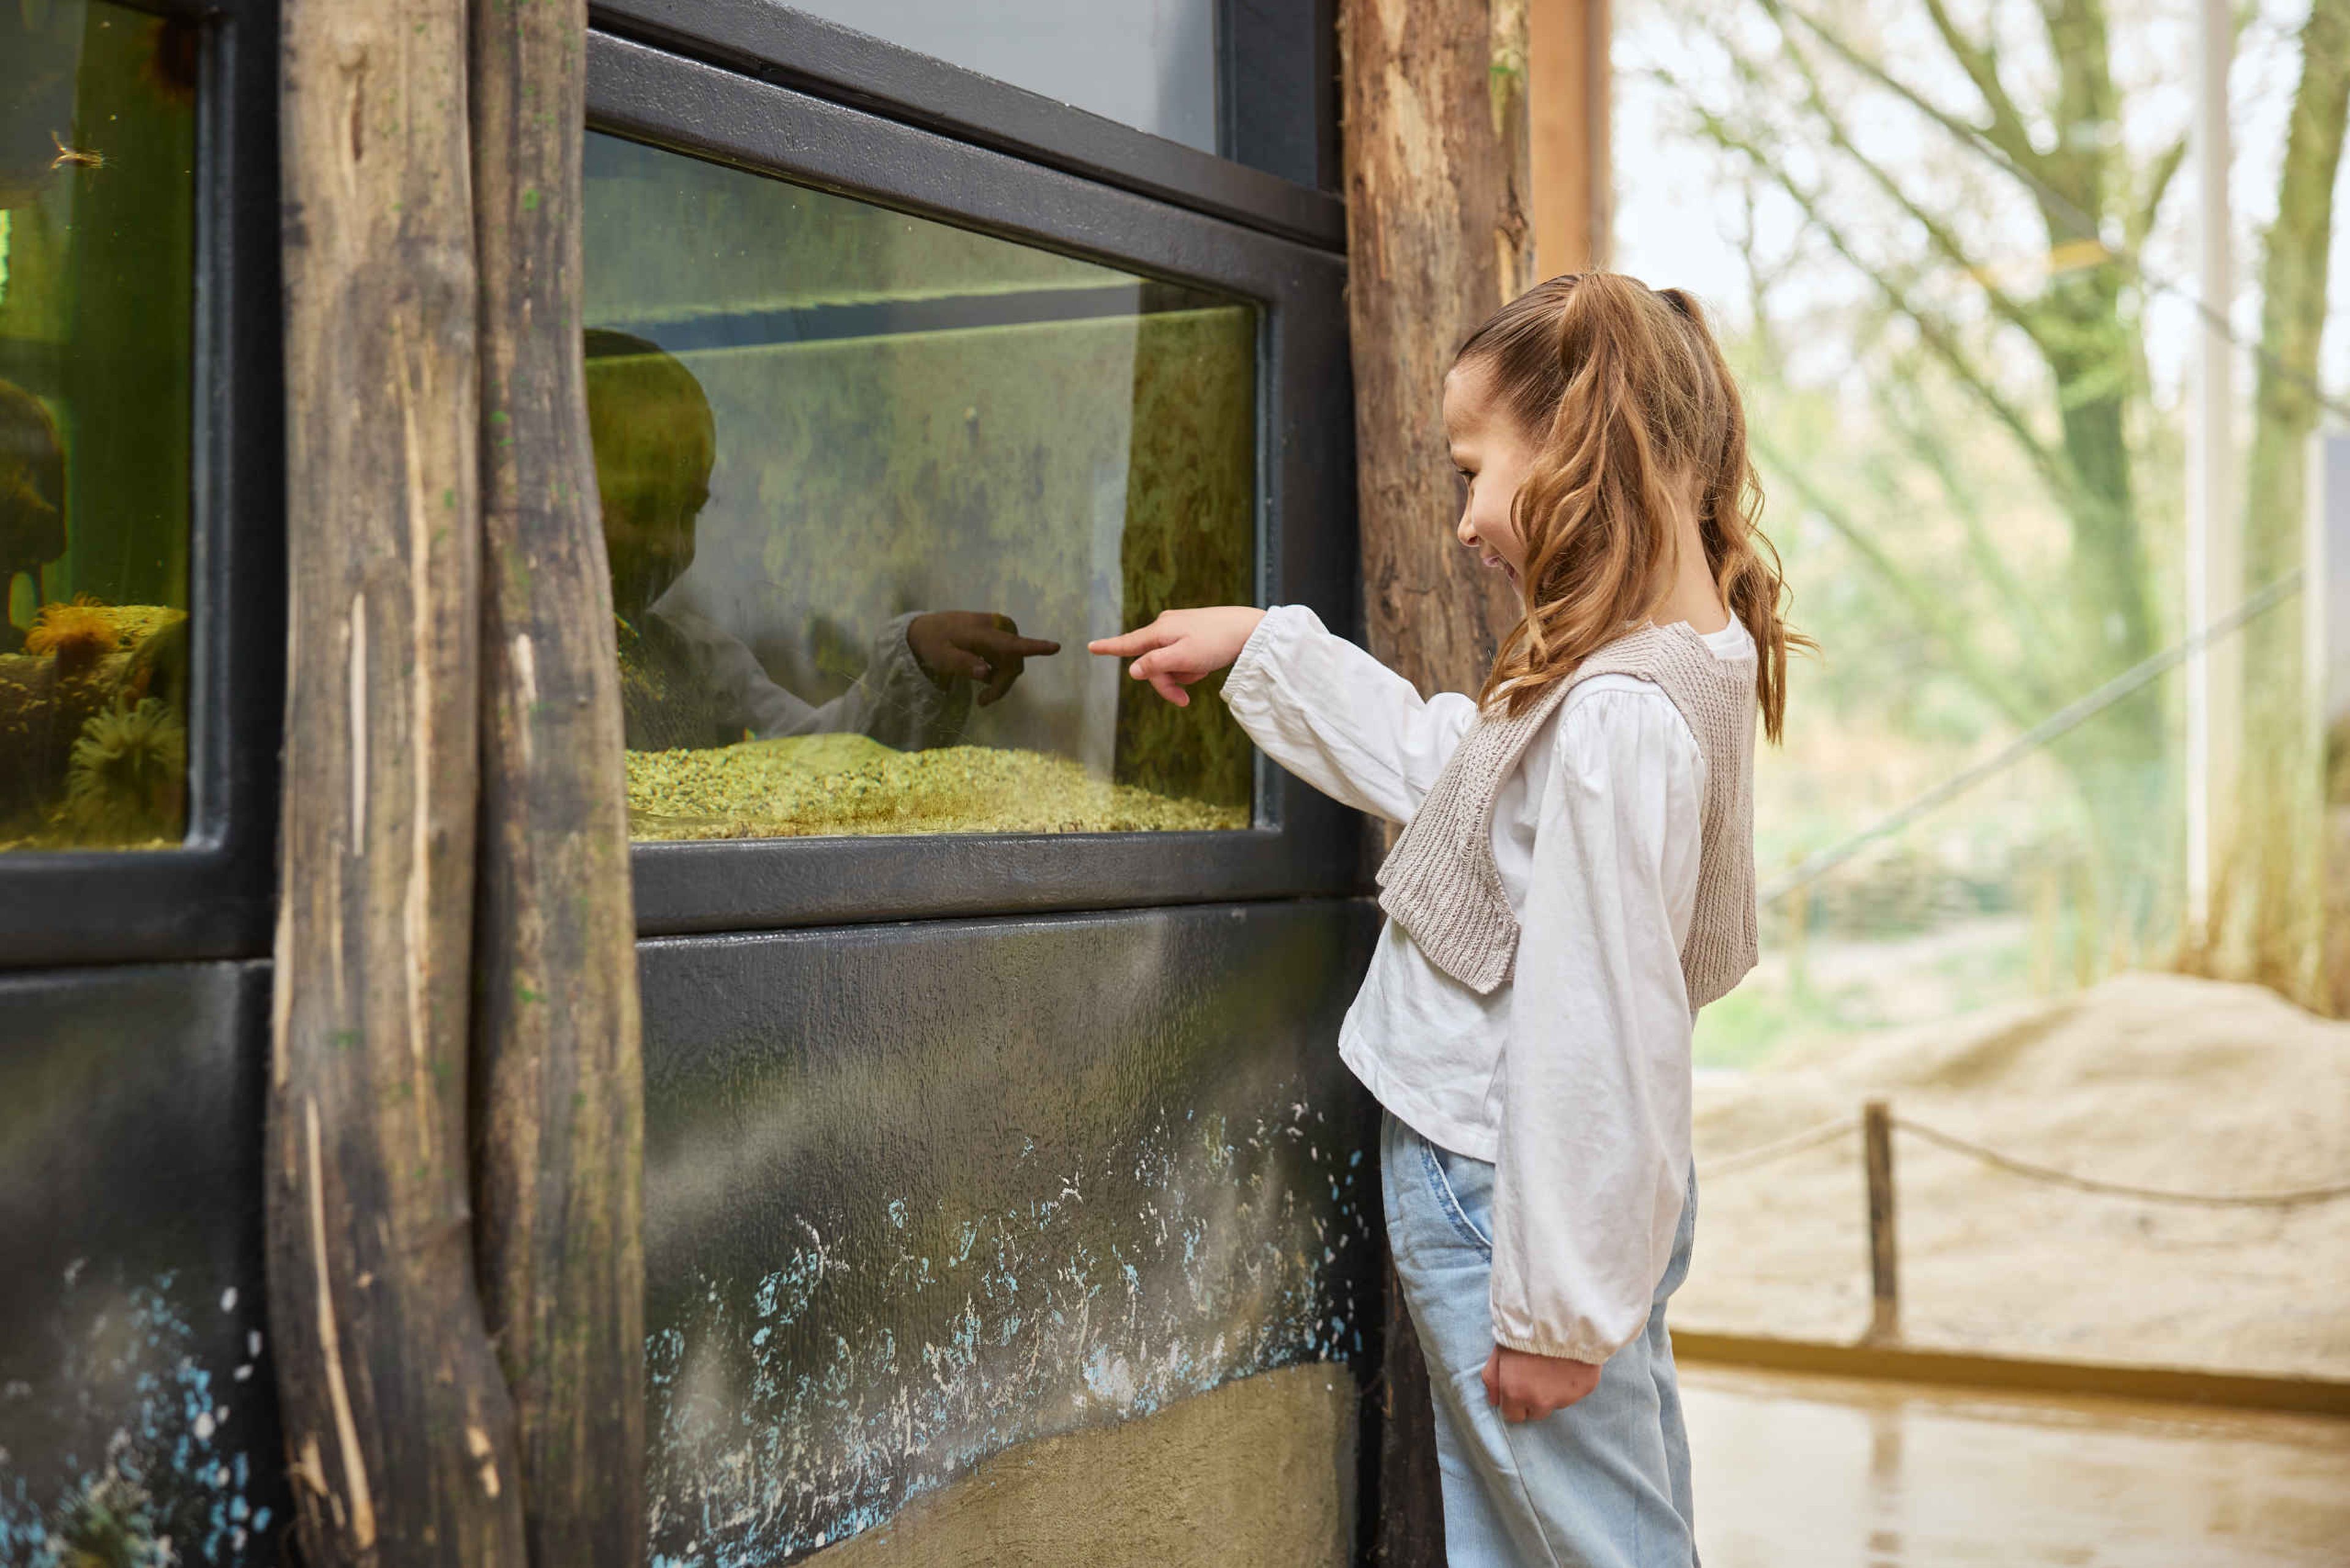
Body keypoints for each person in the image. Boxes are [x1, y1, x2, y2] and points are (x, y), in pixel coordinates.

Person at [1092, 273, 1802, 1566]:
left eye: (1478, 469)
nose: (1468, 519)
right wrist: (1266, 648)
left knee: (1595, 1547)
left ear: (1584, 453)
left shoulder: (1618, 716)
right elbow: (1466, 784)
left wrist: (1554, 1313)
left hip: (1508, 1194)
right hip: (1534, 1194)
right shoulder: (1666, 665)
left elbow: (1602, 1026)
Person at [584, 329, 1059, 751]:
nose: (671, 544)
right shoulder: (518, 670)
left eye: (689, 512)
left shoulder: (698, 667)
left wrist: (916, 659)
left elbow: (818, 763)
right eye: (643, 508)